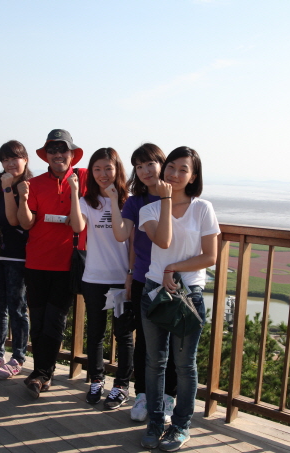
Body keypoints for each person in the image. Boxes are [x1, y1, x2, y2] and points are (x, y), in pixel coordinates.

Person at [138, 147, 219, 451]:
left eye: (183, 169)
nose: (174, 174)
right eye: (170, 167)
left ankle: (181, 425)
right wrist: (166, 200)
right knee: (155, 362)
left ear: (193, 176)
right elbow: (164, 240)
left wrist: (174, 267)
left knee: (185, 365)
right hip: (154, 292)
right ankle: (155, 422)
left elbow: (210, 256)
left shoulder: (203, 209)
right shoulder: (150, 209)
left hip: (188, 294)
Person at [110, 144, 178, 422]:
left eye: (150, 163)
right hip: (142, 278)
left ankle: (168, 397)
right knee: (144, 343)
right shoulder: (135, 201)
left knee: (172, 342)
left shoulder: (176, 196)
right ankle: (142, 394)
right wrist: (114, 201)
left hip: (172, 280)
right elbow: (122, 235)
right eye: (139, 166)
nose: (145, 170)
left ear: (162, 163)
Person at [17, 129, 87, 398]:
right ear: (46, 155)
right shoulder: (33, 184)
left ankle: (42, 374)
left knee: (55, 321)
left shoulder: (84, 178)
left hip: (67, 264)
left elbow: (109, 187)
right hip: (36, 261)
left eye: (63, 149)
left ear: (72, 154)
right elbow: (26, 223)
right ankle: (41, 373)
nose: (58, 154)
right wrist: (23, 199)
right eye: (52, 150)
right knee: (37, 320)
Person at [68, 147, 133, 409]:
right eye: (97, 169)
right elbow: (77, 226)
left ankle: (121, 385)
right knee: (95, 333)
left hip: (121, 278)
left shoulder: (129, 201)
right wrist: (75, 192)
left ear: (117, 169)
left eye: (108, 168)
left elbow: (132, 243)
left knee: (123, 335)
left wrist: (130, 274)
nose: (103, 174)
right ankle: (96, 379)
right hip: (94, 276)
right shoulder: (88, 201)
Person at [0, 140, 32, 379]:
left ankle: (18, 357)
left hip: (18, 254)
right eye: (6, 160)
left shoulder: (28, 185)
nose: (10, 164)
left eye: (15, 158)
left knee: (17, 306)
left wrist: (9, 188)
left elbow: (15, 221)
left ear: (25, 160)